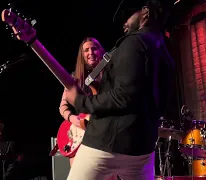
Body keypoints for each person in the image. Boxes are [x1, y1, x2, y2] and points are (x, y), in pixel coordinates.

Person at [64, 0, 175, 179]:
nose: (124, 23)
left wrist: (80, 101)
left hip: (106, 144)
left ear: (145, 13)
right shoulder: (165, 51)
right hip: (142, 150)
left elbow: (123, 96)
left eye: (127, 16)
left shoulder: (133, 42)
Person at [58, 37, 105, 166]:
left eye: (94, 49)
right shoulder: (74, 77)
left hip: (102, 134)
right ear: (82, 55)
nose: (90, 53)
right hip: (79, 136)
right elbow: (63, 106)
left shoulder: (109, 75)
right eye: (86, 50)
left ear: (100, 51)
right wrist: (72, 118)